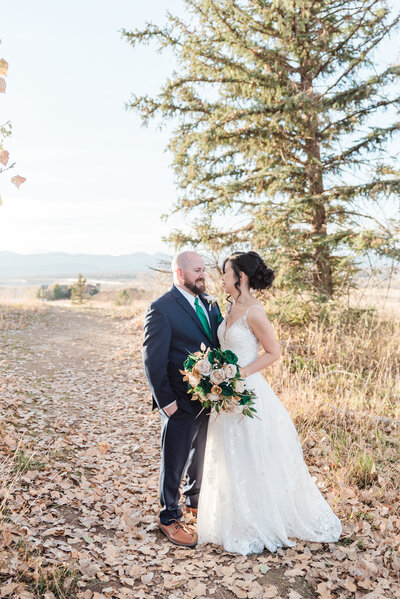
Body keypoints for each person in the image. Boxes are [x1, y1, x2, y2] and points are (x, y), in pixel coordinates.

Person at [197, 251, 342, 555]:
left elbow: (273, 352)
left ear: (241, 277)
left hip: (248, 391)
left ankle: (259, 518)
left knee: (252, 454)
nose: (222, 279)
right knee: (230, 454)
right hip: (226, 395)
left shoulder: (254, 312)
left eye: (226, 273)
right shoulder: (229, 306)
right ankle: (230, 518)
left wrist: (239, 373)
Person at [142, 251, 222, 548]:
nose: (202, 275)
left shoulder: (210, 304)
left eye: (204, 269)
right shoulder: (162, 308)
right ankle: (169, 517)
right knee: (173, 460)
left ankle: (194, 501)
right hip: (178, 400)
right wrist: (166, 402)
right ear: (179, 273)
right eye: (197, 270)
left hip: (209, 398)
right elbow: (152, 359)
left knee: (200, 454)